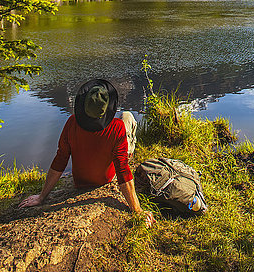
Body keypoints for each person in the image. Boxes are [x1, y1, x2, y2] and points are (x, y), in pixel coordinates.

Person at [19, 79, 155, 227]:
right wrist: (137, 210)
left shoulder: (72, 123)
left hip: (80, 182)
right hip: (107, 179)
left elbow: (60, 160)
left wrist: (41, 197)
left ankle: (123, 152)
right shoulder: (117, 127)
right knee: (127, 117)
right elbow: (122, 170)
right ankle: (129, 154)